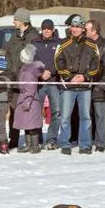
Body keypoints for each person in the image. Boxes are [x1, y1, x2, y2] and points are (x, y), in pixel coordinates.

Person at [55, 14, 100, 155]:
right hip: (68, 87)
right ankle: (65, 144)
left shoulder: (92, 45)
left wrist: (85, 77)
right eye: (72, 26)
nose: (74, 29)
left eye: (77, 27)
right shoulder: (62, 44)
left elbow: (96, 64)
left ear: (83, 29)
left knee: (86, 117)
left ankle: (85, 145)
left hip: (85, 87)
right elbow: (58, 62)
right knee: (65, 117)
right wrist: (69, 76)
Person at [5, 8, 39, 149]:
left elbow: (34, 56)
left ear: (23, 21)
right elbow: (7, 52)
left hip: (27, 78)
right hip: (14, 79)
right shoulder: (13, 36)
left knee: (29, 109)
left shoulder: (34, 36)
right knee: (14, 110)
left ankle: (33, 142)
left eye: (16, 19)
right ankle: (13, 139)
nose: (14, 22)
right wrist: (10, 67)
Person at [85, 19, 105, 152]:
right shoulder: (84, 44)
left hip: (99, 87)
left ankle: (101, 143)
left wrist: (100, 87)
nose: (85, 32)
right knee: (86, 116)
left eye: (87, 30)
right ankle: (86, 141)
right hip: (85, 86)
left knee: (100, 116)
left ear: (94, 31)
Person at [32, 19, 61, 150]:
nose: (47, 30)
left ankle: (51, 140)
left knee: (56, 112)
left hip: (54, 82)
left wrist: (51, 72)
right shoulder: (34, 43)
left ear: (53, 30)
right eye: (44, 28)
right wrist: (41, 73)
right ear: (41, 29)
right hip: (39, 83)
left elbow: (61, 61)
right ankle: (37, 139)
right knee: (36, 111)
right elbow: (31, 62)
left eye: (49, 28)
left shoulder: (59, 43)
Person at [14, 44, 45, 154]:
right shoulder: (26, 69)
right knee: (26, 123)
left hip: (29, 99)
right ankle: (28, 145)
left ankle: (35, 146)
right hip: (26, 98)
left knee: (31, 125)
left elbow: (30, 87)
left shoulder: (28, 71)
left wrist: (27, 100)